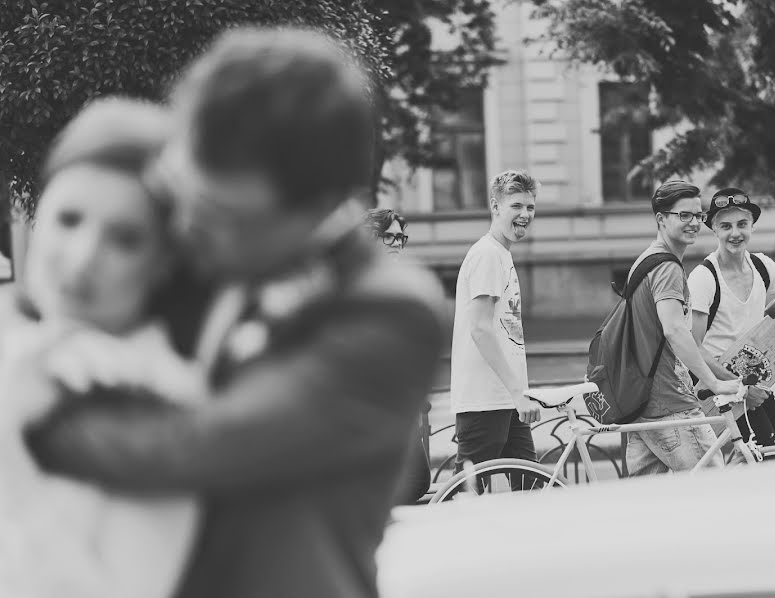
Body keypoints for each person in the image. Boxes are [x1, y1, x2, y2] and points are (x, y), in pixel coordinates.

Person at [25, 27, 445, 598]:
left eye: (218, 210)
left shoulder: (391, 311)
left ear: (315, 208)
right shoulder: (208, 240)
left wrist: (22, 409)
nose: (186, 223)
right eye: (180, 186)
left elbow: (196, 445)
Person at [0, 98, 200, 598]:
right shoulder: (20, 351)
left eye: (126, 239)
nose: (83, 258)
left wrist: (10, 444)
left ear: (163, 263)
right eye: (69, 219)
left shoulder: (162, 399)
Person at [688, 188, 775, 448]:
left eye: (742, 224)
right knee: (760, 456)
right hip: (719, 386)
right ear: (714, 230)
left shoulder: (762, 266)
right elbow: (693, 346)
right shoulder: (704, 277)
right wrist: (739, 386)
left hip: (755, 382)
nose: (735, 233)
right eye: (726, 226)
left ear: (752, 225)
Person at [624, 181, 739, 476]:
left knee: (652, 509)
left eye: (698, 216)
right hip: (669, 403)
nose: (694, 223)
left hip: (641, 403)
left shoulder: (645, 261)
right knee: (714, 491)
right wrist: (712, 383)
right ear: (661, 219)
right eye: (684, 215)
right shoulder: (667, 268)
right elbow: (674, 330)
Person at [450, 170, 541, 478]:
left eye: (530, 207)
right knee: (466, 494)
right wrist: (518, 392)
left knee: (530, 486)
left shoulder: (500, 254)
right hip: (486, 400)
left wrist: (517, 393)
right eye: (516, 206)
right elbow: (480, 328)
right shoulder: (487, 255)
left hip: (505, 398)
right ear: (495, 206)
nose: (525, 214)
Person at [363, 207, 431, 504]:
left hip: (397, 406)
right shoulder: (363, 284)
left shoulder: (392, 281)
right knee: (411, 482)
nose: (396, 244)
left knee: (417, 481)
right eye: (388, 237)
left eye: (400, 238)